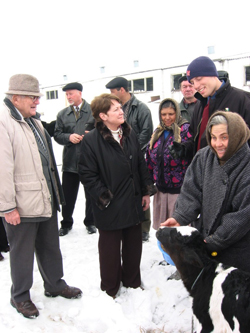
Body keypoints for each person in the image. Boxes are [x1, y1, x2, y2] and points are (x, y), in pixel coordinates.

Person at [0, 74, 82, 319]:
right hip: (21, 205)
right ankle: (21, 297)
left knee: (50, 247)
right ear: (16, 97)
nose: (38, 101)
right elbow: (2, 168)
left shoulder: (32, 121)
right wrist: (7, 207)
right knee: (22, 253)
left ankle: (55, 284)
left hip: (44, 198)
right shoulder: (4, 122)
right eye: (32, 97)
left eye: (38, 96)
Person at [78, 93, 156, 298]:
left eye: (121, 108)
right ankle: (110, 288)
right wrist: (104, 196)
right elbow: (87, 174)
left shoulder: (129, 133)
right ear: (103, 116)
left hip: (132, 200)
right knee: (110, 251)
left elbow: (140, 164)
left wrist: (146, 191)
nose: (121, 111)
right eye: (115, 109)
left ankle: (132, 281)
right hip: (109, 204)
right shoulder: (91, 140)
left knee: (133, 246)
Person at [161, 111, 250, 273]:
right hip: (205, 239)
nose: (217, 144)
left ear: (237, 135)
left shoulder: (247, 167)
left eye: (224, 137)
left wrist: (211, 242)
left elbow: (241, 218)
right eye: (213, 137)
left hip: (236, 250)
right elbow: (191, 192)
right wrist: (180, 216)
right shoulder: (204, 157)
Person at [169, 56, 250, 160]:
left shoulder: (242, 100)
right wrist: (185, 149)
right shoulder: (200, 104)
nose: (196, 86)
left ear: (212, 74)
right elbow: (197, 139)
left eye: (199, 79)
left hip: (231, 171)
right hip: (203, 170)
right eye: (192, 82)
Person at [105, 77, 153, 242]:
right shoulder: (113, 108)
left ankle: (144, 227)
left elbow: (146, 133)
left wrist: (132, 152)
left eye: (113, 91)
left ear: (121, 90)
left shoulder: (141, 108)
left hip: (137, 157)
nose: (111, 95)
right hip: (118, 160)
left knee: (140, 189)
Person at [54, 82, 96, 236]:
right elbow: (57, 134)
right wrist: (69, 137)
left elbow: (101, 130)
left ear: (79, 93)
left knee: (91, 195)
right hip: (70, 162)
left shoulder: (93, 111)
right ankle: (66, 223)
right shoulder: (62, 114)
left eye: (71, 93)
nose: (68, 97)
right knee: (67, 196)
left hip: (89, 161)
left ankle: (91, 222)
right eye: (67, 94)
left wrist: (90, 136)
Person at [146, 98, 191, 231]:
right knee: (163, 230)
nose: (167, 118)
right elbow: (150, 157)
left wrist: (182, 149)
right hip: (161, 189)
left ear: (177, 113)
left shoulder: (185, 129)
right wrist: (148, 181)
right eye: (163, 114)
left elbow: (190, 151)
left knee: (178, 231)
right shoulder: (157, 132)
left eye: (171, 114)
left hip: (178, 191)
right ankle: (165, 252)